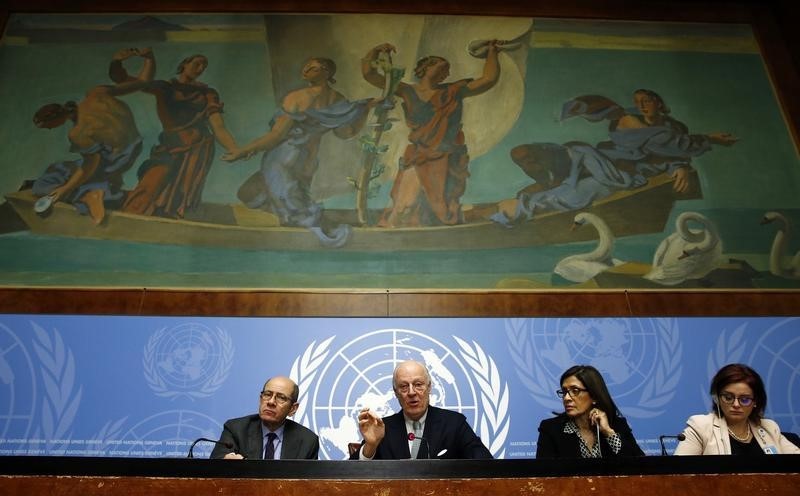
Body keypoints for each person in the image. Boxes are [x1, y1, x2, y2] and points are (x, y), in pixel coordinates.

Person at [497, 89, 737, 224]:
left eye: (646, 101)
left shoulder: (671, 128)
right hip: (607, 161)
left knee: (579, 162)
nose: (641, 106)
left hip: (624, 172)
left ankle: (530, 203)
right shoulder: (629, 118)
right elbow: (608, 111)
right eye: (637, 102)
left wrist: (683, 164)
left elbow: (678, 147)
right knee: (572, 157)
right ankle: (538, 190)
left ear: (659, 103)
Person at [223, 57, 373, 247]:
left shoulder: (296, 97)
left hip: (283, 157)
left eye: (312, 67)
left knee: (291, 208)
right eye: (306, 66)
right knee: (253, 193)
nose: (305, 70)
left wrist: (244, 150)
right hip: (308, 161)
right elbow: (346, 133)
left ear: (326, 72)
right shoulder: (339, 100)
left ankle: (317, 235)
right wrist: (365, 110)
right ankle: (298, 223)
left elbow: (276, 135)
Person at [362, 42, 500, 227]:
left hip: (445, 155)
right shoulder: (406, 90)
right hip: (419, 154)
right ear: (426, 68)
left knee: (440, 205)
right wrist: (375, 51)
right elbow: (369, 74)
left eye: (448, 71)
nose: (447, 74)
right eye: (442, 68)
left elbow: (489, 79)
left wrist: (492, 52)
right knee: (404, 203)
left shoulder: (453, 91)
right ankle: (392, 233)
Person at [31, 47, 153, 225]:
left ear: (54, 119)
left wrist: (65, 189)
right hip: (134, 146)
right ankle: (100, 189)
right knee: (71, 170)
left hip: (116, 158)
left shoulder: (78, 132)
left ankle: (91, 194)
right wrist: (149, 58)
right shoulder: (96, 93)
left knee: (47, 181)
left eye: (47, 126)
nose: (49, 130)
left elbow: (90, 165)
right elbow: (143, 81)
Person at [116, 52, 240, 218]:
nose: (201, 68)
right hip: (171, 144)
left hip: (197, 149)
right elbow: (125, 80)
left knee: (181, 195)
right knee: (151, 183)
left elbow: (218, 126)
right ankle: (129, 217)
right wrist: (121, 60)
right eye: (197, 63)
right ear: (184, 64)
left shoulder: (207, 93)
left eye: (204, 66)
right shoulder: (165, 87)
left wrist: (235, 149)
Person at [350, 360, 492, 460]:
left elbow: (484, 462)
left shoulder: (454, 423)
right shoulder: (382, 428)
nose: (412, 392)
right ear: (396, 392)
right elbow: (351, 476)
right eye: (404, 386)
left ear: (429, 387)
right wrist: (371, 445)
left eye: (418, 384)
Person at [674, 363, 800, 455]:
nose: (736, 404)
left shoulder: (769, 428)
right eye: (728, 397)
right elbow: (677, 474)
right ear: (717, 398)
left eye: (744, 399)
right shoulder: (701, 428)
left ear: (755, 401)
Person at [536, 365, 644, 458]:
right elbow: (543, 475)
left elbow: (641, 467)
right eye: (564, 392)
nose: (566, 398)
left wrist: (608, 432)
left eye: (575, 391)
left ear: (594, 396)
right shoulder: (551, 429)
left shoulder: (617, 425)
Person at [210, 376, 319, 460]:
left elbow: (310, 484)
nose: (271, 402)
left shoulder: (307, 440)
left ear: (293, 409)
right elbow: (214, 465)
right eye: (267, 395)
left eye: (281, 398)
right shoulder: (236, 429)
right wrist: (225, 463)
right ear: (260, 399)